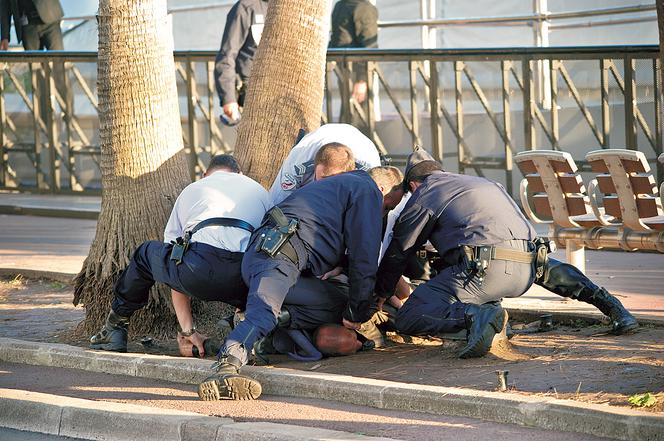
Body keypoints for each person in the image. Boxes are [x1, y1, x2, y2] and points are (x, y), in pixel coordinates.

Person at [375, 147, 639, 359]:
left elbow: (399, 251)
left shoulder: (425, 195)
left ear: (413, 185)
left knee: (410, 315)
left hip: (485, 275)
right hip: (527, 269)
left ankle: (475, 316)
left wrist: (380, 294)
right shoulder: (484, 183)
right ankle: (614, 308)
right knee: (536, 260)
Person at [197, 168, 387, 401]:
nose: (383, 211)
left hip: (264, 255)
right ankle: (226, 366)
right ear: (383, 189)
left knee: (332, 303)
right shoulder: (368, 190)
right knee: (264, 312)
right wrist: (357, 311)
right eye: (387, 206)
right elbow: (364, 257)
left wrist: (338, 266)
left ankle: (266, 329)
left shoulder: (336, 187)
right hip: (281, 257)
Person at [89, 155, 272, 356]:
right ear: (240, 174)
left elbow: (176, 253)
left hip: (198, 269)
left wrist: (188, 331)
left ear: (205, 174)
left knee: (146, 253)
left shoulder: (193, 188)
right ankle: (253, 330)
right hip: (246, 276)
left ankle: (115, 328)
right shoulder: (259, 190)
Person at [269, 123, 381, 205]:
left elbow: (372, 212)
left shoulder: (368, 169)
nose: (326, 186)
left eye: (332, 180)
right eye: (322, 179)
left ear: (349, 172)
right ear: (315, 166)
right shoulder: (298, 164)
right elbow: (278, 203)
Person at [214, 0, 267, 125]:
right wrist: (229, 99)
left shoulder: (285, 7)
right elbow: (226, 56)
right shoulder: (246, 7)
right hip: (251, 96)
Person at [329, 0, 378, 126]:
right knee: (355, 113)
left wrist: (362, 80)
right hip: (352, 68)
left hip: (349, 67)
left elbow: (368, 47)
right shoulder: (360, 7)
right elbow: (369, 46)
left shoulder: (343, 6)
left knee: (352, 112)